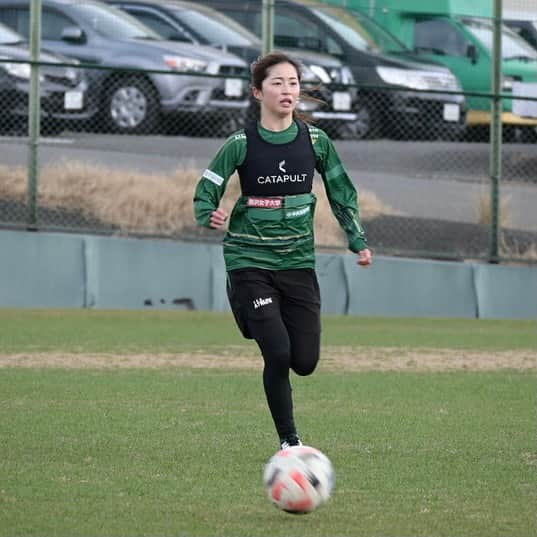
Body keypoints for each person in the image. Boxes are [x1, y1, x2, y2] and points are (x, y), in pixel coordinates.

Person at [193, 51, 372, 450]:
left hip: (297, 262)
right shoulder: (240, 144)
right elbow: (206, 189)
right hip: (248, 261)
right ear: (258, 92)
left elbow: (342, 192)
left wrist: (357, 238)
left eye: (293, 82)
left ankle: (252, 313)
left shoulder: (316, 141)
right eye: (277, 82)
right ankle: (290, 443)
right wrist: (210, 214)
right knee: (277, 352)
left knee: (304, 362)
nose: (287, 90)